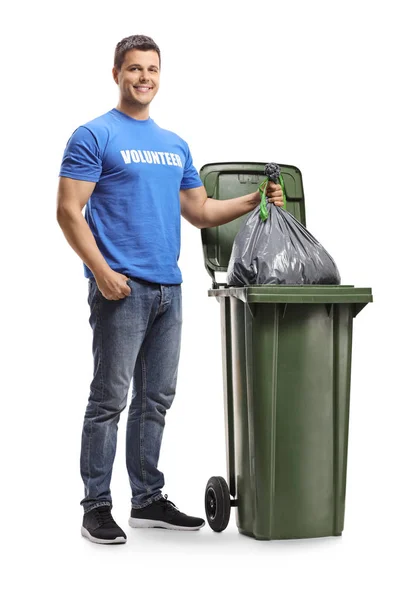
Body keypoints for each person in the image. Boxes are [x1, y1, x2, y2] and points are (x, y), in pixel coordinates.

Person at [56, 34, 283, 545]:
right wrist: (101, 272)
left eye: (152, 70)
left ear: (160, 76)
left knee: (156, 398)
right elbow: (69, 211)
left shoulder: (174, 143)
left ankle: (147, 499)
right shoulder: (94, 135)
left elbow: (200, 211)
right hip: (121, 288)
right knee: (109, 399)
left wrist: (251, 200)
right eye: (134, 69)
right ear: (117, 73)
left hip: (168, 289)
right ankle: (96, 507)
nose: (144, 78)